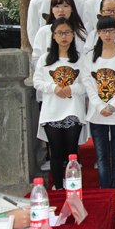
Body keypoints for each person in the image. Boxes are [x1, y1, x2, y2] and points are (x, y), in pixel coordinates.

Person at [82, 16, 115, 212]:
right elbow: (88, 84)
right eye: (103, 31)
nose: (108, 34)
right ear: (98, 33)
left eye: (111, 30)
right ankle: (105, 194)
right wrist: (99, 106)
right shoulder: (90, 57)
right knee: (102, 157)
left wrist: (112, 106)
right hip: (97, 114)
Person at [33, 18, 87, 190]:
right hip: (52, 111)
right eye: (60, 33)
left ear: (73, 35)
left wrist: (72, 88)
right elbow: (37, 82)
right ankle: (58, 187)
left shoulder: (80, 59)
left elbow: (87, 84)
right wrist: (53, 88)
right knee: (55, 152)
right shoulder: (45, 59)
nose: (64, 36)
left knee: (72, 152)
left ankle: (73, 187)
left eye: (67, 32)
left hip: (73, 110)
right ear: (53, 36)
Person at [32, 0, 87, 70]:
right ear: (52, 9)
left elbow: (86, 60)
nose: (61, 10)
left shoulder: (81, 33)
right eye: (57, 6)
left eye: (65, 6)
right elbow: (36, 58)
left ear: (72, 9)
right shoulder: (43, 32)